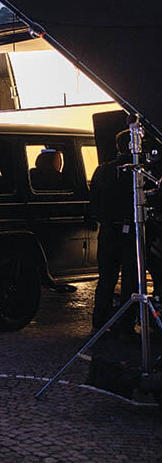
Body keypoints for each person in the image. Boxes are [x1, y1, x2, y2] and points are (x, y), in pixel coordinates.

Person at [89, 130, 138, 336]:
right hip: (130, 232)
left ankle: (99, 322)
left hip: (108, 232)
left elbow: (93, 204)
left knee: (106, 278)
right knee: (131, 280)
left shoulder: (102, 170)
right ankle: (126, 325)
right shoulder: (137, 170)